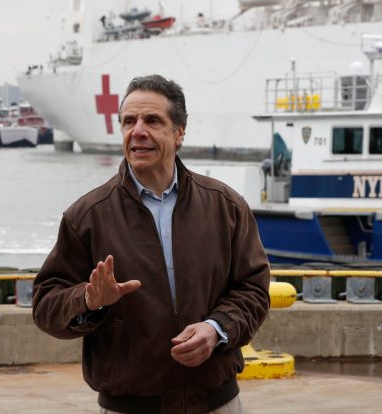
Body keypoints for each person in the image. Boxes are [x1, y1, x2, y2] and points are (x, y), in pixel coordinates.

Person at [32, 74, 271, 414]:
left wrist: (216, 328)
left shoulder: (226, 206)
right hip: (128, 407)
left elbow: (254, 289)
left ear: (179, 133)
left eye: (152, 121)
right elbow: (44, 306)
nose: (138, 131)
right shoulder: (86, 216)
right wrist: (88, 300)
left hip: (217, 403)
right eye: (129, 121)